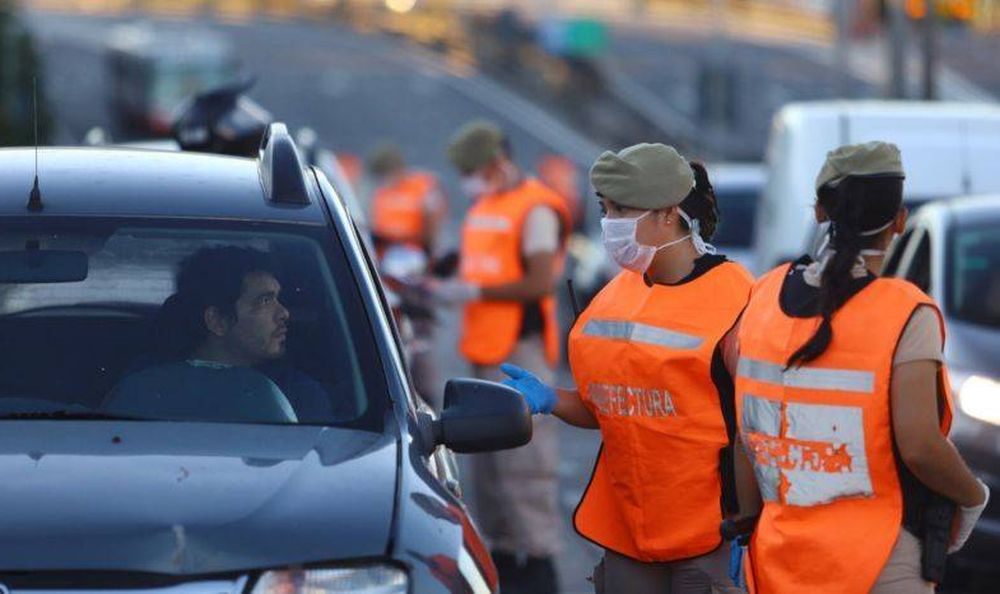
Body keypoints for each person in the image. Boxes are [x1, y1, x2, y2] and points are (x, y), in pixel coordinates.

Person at [731, 142, 990, 593]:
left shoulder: (763, 295)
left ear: (820, 211)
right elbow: (920, 447)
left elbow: (747, 434)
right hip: (879, 562)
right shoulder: (906, 312)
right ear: (900, 221)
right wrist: (972, 496)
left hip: (778, 558)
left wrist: (749, 523)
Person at [501, 143, 753, 593]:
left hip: (710, 533)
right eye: (605, 209)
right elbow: (611, 407)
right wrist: (553, 398)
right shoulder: (616, 295)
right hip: (628, 530)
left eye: (621, 210)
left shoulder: (738, 298)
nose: (609, 223)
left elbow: (755, 430)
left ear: (668, 214)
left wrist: (750, 522)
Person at [434, 120, 570, 594]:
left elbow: (539, 281)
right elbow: (478, 259)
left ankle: (538, 562)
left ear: (497, 162)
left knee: (524, 469)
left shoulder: (536, 209)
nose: (468, 180)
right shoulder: (487, 205)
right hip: (485, 348)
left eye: (471, 170)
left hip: (519, 351)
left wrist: (474, 291)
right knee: (490, 471)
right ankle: (507, 559)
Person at [104, 246, 335, 423]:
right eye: (264, 301)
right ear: (217, 320)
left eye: (277, 299)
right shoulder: (142, 386)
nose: (284, 313)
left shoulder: (300, 395)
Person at [367, 143, 447, 259]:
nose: (385, 180)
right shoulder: (381, 192)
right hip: (386, 254)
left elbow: (434, 218)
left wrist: (429, 247)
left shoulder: (423, 185)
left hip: (416, 252)